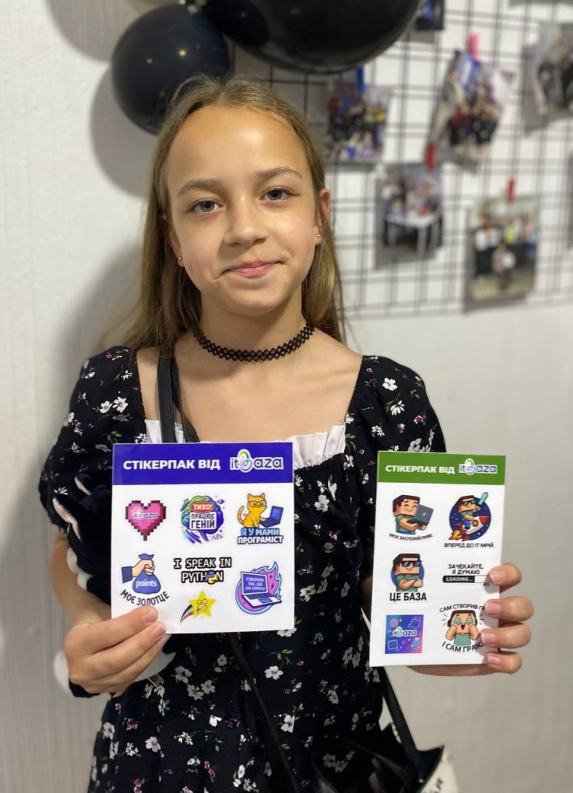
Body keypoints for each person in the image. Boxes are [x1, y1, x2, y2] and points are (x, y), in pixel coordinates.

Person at [38, 75, 534, 792]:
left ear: (319, 216)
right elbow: (71, 546)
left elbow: (404, 606)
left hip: (331, 764)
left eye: (275, 192)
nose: (244, 227)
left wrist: (463, 635)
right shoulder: (119, 393)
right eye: (205, 204)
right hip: (163, 762)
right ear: (174, 240)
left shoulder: (387, 404)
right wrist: (87, 623)